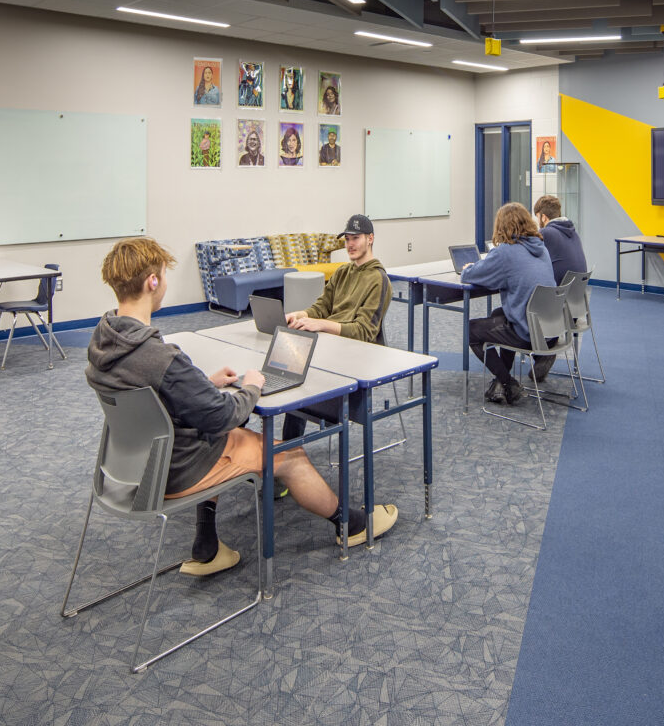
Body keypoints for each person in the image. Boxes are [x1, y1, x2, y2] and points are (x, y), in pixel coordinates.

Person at [84, 237, 396, 575]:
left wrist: (204, 383)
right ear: (152, 281)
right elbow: (223, 416)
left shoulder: (104, 340)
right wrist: (251, 386)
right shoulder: (161, 357)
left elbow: (155, 390)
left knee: (223, 426)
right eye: (164, 276)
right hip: (177, 469)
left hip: (133, 467)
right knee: (289, 455)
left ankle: (207, 545)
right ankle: (351, 526)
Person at [280, 213, 391, 440]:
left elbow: (364, 332)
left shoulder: (379, 279)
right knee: (290, 359)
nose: (349, 244)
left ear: (370, 239)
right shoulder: (342, 272)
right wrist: (298, 315)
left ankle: (289, 449)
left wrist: (320, 324)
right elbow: (321, 307)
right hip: (331, 344)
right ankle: (287, 449)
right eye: (347, 239)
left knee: (297, 369)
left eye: (356, 238)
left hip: (357, 353)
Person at [460, 202, 556, 405]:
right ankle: (500, 384)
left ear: (501, 226)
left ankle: (508, 382)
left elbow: (471, 274)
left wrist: (469, 267)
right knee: (498, 314)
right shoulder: (542, 249)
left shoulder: (505, 252)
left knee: (471, 330)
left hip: (529, 333)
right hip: (550, 329)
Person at [531, 194, 588, 381]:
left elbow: (528, 254)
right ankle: (547, 349)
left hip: (557, 308)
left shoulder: (547, 233)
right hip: (575, 307)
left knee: (522, 303)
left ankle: (545, 351)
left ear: (543, 217)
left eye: (536, 217)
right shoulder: (573, 232)